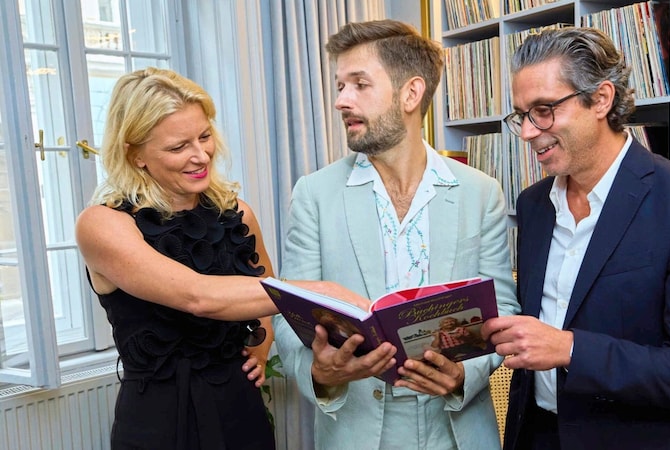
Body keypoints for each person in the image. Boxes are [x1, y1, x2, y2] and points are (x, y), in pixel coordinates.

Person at [481, 27, 670, 450]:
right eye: (521, 115)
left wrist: (570, 349)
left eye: (544, 110)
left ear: (601, 99)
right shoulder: (533, 205)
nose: (528, 132)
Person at [272, 19, 519, 450]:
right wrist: (319, 373)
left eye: (359, 84)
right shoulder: (313, 194)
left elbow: (503, 308)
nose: (340, 101)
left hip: (458, 430)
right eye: (339, 85)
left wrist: (465, 375)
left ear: (411, 93)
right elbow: (287, 315)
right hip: (357, 430)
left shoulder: (482, 192)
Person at [75, 67, 282, 450]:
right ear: (135, 154)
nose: (201, 155)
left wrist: (263, 342)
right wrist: (318, 292)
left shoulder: (238, 214)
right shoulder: (103, 224)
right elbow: (197, 297)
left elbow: (263, 293)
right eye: (178, 146)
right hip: (158, 420)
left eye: (205, 137)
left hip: (239, 405)